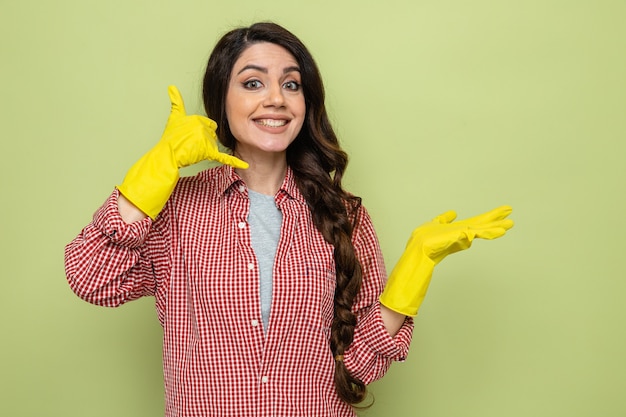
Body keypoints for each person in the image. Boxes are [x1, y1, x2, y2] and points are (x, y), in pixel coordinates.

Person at [65, 22, 513, 417]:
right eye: (253, 84)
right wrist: (155, 170)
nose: (276, 99)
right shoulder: (177, 210)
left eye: (292, 85)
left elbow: (357, 364)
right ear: (221, 99)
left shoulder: (345, 215)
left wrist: (412, 274)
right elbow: (90, 278)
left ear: (306, 102)